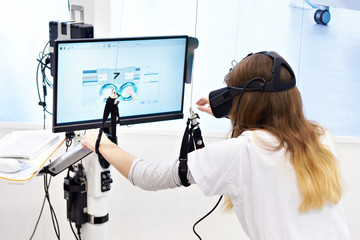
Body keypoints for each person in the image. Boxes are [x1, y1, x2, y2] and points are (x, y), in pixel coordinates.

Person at [81, 51, 351, 239]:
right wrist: (234, 111)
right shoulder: (319, 137)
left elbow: (148, 176)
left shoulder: (243, 153)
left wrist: (101, 143)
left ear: (243, 101)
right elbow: (270, 126)